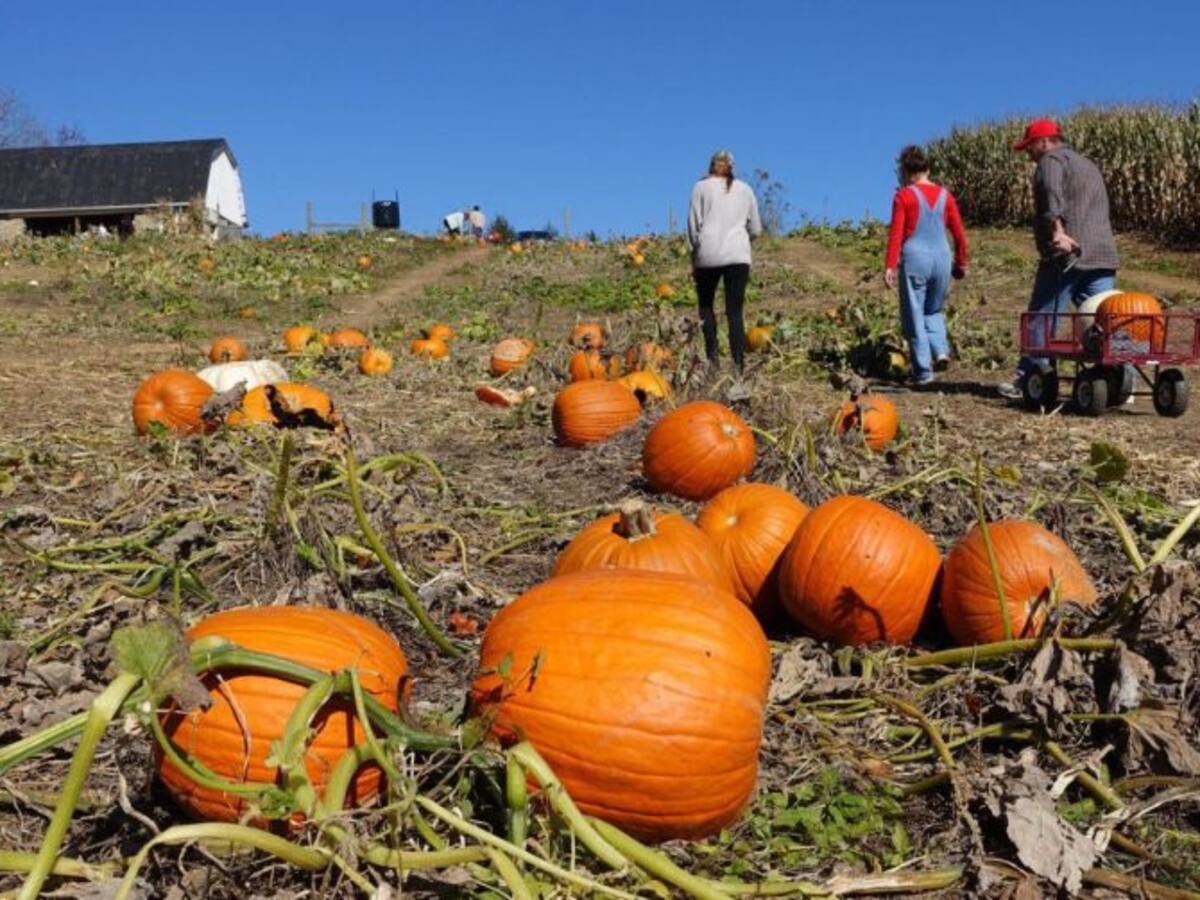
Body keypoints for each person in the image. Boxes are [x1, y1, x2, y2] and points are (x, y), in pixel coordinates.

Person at [998, 118, 1119, 400]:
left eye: (1030, 147)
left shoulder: (1050, 162)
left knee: (1041, 316)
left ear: (1044, 142)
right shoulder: (1088, 165)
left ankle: (1029, 378)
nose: (1029, 154)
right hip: (1102, 254)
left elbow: (1051, 198)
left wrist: (1058, 233)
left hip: (1068, 254)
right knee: (1106, 321)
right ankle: (1114, 379)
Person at [884, 145, 968, 386]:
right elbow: (959, 234)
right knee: (934, 310)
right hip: (942, 258)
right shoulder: (945, 196)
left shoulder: (904, 196)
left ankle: (922, 372)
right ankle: (940, 350)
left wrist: (890, 265)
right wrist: (961, 262)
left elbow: (897, 234)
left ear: (905, 171)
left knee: (914, 315)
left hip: (915, 259)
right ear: (928, 169)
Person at [687, 149, 762, 383]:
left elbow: (692, 226)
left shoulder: (700, 187)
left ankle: (712, 362)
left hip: (707, 254)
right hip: (737, 256)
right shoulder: (745, 189)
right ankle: (738, 366)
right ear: (732, 167)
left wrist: (693, 256)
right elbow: (757, 229)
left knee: (706, 307)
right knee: (735, 312)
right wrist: (742, 240)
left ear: (711, 166)